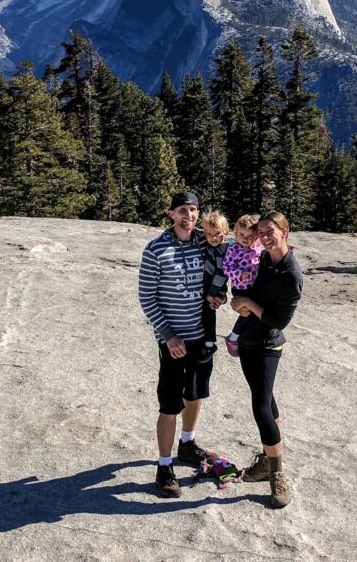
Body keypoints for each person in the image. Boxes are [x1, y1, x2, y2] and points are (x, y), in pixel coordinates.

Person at [138, 191, 222, 498]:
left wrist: (219, 296)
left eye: (194, 210)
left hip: (201, 336)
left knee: (195, 392)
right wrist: (168, 335)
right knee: (169, 402)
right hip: (174, 339)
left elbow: (222, 272)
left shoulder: (205, 241)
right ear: (171, 214)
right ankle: (164, 465)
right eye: (183, 210)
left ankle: (187, 445)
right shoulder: (156, 249)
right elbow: (147, 297)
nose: (189, 215)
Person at [230, 211, 303, 508]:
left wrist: (247, 303)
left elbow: (278, 320)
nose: (264, 236)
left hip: (267, 345)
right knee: (266, 400)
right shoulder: (263, 259)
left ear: (284, 231)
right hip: (248, 341)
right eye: (261, 232)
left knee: (261, 407)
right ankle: (265, 461)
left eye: (270, 230)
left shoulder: (291, 274)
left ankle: (277, 474)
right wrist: (240, 302)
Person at [221, 213, 263, 357]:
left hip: (255, 287)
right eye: (242, 235)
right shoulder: (233, 249)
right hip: (240, 288)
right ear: (235, 233)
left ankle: (245, 336)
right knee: (246, 312)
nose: (245, 239)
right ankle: (233, 338)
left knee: (256, 311)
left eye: (250, 236)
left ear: (256, 236)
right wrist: (239, 273)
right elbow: (226, 267)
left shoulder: (257, 248)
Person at [199, 210, 231, 363]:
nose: (213, 238)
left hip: (214, 285)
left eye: (217, 234)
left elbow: (221, 274)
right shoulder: (209, 243)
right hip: (207, 283)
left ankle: (209, 344)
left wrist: (212, 292)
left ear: (226, 232)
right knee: (203, 311)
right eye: (209, 234)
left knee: (208, 312)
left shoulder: (223, 251)